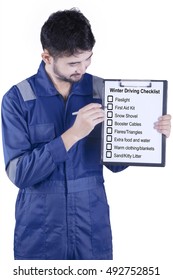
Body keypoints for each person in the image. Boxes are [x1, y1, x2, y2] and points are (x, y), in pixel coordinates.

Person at [1, 8, 171, 260]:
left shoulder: (101, 90)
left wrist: (149, 133)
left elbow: (115, 163)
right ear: (47, 57)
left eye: (87, 59)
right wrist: (72, 135)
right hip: (40, 229)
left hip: (91, 225)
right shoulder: (18, 99)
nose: (82, 68)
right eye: (73, 63)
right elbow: (20, 174)